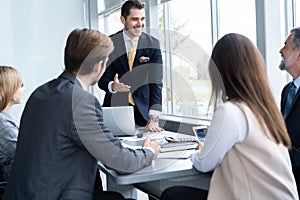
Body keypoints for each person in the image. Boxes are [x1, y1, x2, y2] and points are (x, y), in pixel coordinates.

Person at [3, 28, 160, 200]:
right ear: (98, 66)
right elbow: (120, 160)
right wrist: (149, 152)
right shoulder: (80, 101)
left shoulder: (40, 93)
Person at [161, 33, 298, 200]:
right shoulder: (265, 109)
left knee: (171, 195)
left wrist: (198, 152)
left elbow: (203, 163)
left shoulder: (230, 111)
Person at [98, 0, 164, 132]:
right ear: (123, 19)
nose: (140, 24)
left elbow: (156, 83)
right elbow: (102, 80)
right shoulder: (109, 43)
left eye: (142, 19)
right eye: (134, 19)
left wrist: (154, 118)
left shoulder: (153, 44)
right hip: (115, 112)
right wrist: (113, 86)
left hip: (144, 116)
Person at [279, 27, 300, 197]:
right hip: (285, 179)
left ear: (298, 54)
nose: (280, 50)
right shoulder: (287, 91)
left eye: (285, 46)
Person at [0, 66, 24, 182]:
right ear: (10, 90)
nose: (23, 89)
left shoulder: (6, 118)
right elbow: (24, 152)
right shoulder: (2, 123)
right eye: (21, 85)